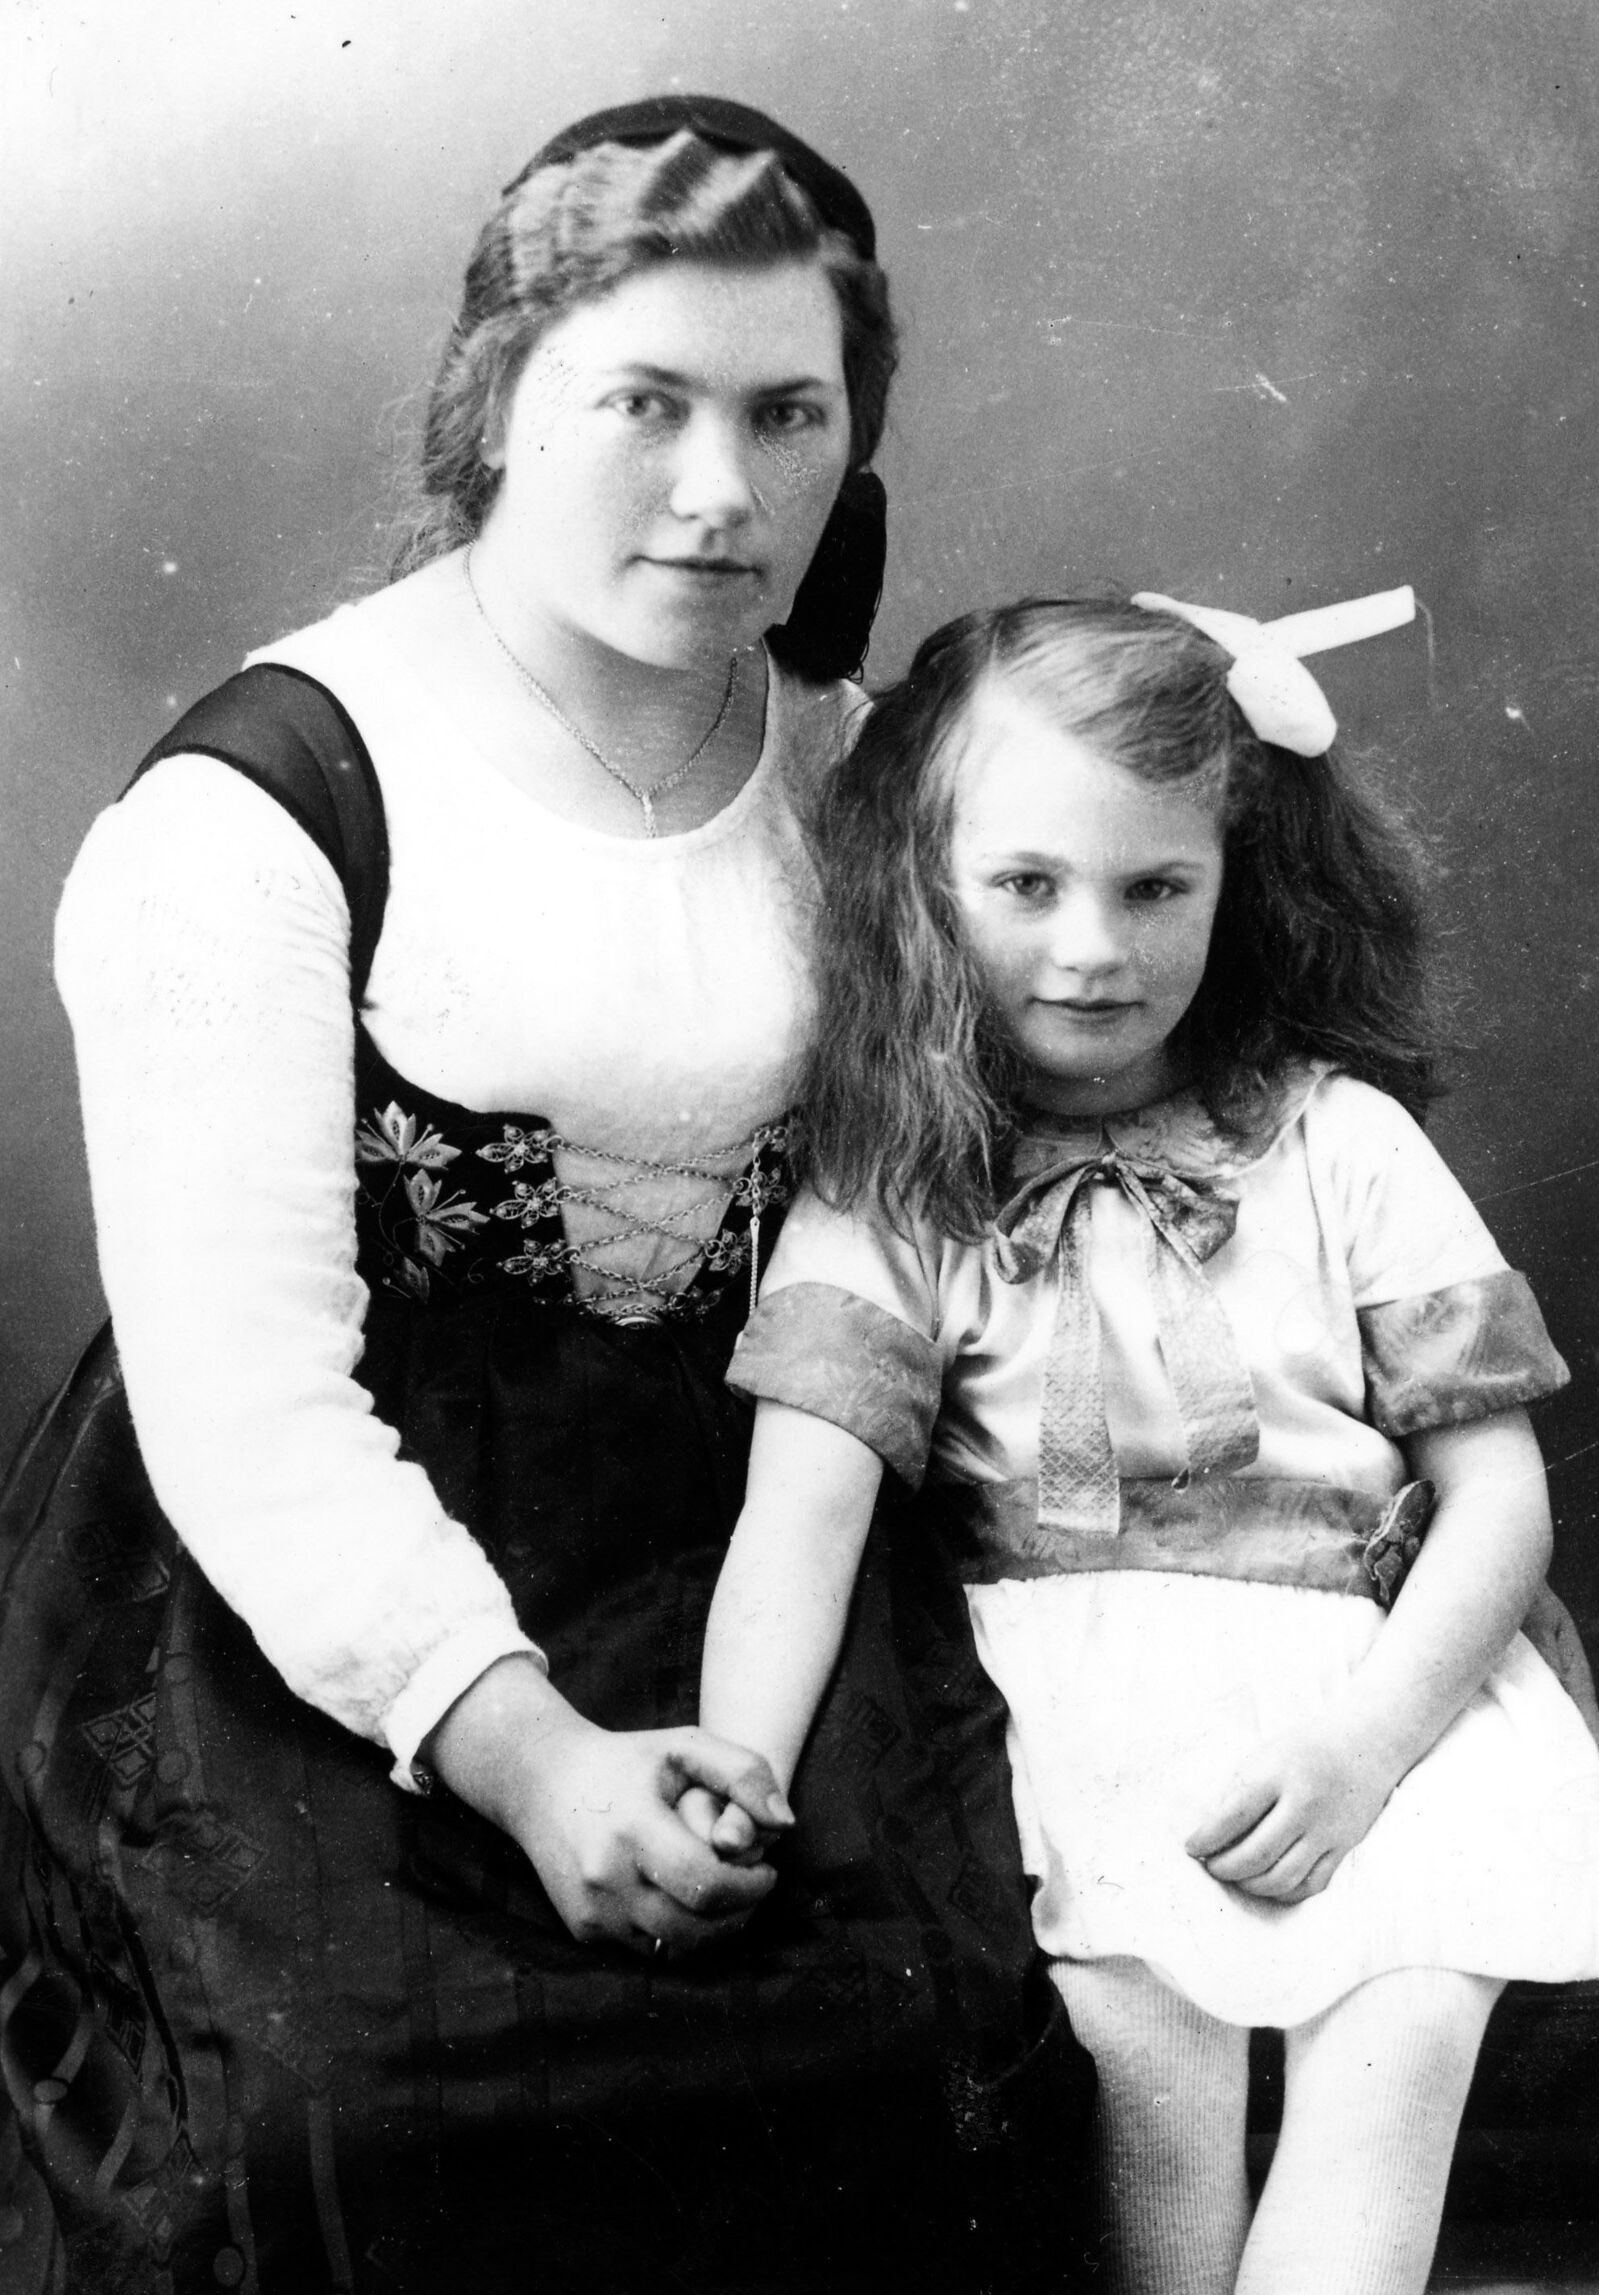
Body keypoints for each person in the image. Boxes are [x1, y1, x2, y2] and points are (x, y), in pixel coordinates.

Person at [0, 101, 1085, 2295]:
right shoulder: (262, 806)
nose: (722, 490)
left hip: (756, 1507)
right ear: (497, 399)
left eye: (788, 415)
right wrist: (526, 1758)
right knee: (349, 2116)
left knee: (934, 2041)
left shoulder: (839, 746)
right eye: (643, 403)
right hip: (346, 1567)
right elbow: (248, 1403)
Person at [697, 590, 1599, 2295]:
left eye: (1156, 887)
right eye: (1027, 886)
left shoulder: (1338, 1140)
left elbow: (1498, 1499)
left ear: (1241, 878)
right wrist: (736, 1767)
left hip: (1376, 1694)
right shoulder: (895, 1192)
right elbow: (799, 1524)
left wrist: (1369, 1746)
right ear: (924, 885)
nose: (1094, 949)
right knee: (1139, 2071)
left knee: (1404, 2022)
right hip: (1070, 1707)